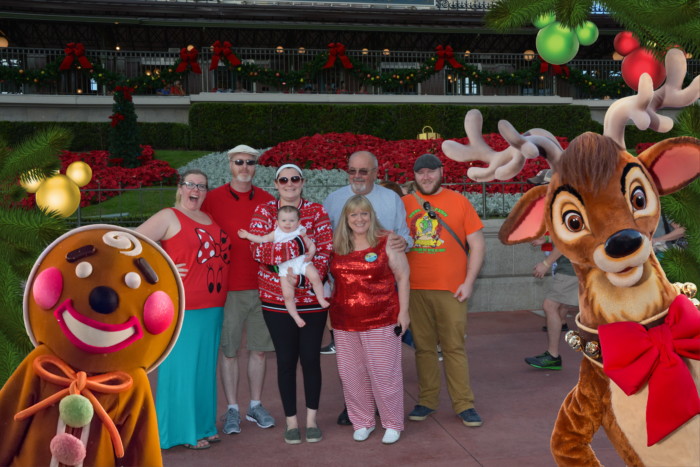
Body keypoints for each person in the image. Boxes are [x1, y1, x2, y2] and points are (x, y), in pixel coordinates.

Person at [136, 169, 229, 450]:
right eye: (190, 184)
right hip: (184, 307)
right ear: (180, 187)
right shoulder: (168, 216)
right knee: (181, 370)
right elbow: (131, 242)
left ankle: (203, 425)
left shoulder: (208, 218)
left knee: (203, 370)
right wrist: (161, 270)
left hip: (212, 308)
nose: (196, 190)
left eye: (202, 186)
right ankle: (179, 433)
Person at [323, 150, 412, 426]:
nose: (358, 176)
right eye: (353, 170)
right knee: (352, 366)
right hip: (345, 296)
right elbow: (326, 243)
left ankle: (388, 415)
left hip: (381, 289)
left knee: (382, 363)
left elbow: (404, 235)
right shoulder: (334, 199)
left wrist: (399, 244)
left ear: (376, 172)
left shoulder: (391, 199)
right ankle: (358, 411)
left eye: (364, 171)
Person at [249, 163, 332, 445]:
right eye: (284, 179)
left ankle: (310, 420)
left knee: (310, 360)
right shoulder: (263, 211)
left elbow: (325, 250)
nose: (289, 183)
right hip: (275, 300)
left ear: (302, 181)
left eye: (295, 178)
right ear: (276, 183)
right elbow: (259, 250)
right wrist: (297, 249)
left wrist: (305, 281)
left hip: (310, 300)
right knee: (285, 361)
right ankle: (291, 422)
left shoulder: (317, 211)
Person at [402, 153, 486, 427]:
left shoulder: (459, 202)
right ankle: (427, 400)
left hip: (452, 289)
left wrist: (469, 281)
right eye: (420, 172)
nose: (425, 177)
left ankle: (464, 404)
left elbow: (478, 244)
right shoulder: (404, 204)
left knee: (453, 347)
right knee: (424, 349)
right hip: (414, 289)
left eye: (430, 171)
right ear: (414, 176)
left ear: (441, 172)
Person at [200, 145, 276, 436]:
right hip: (227, 288)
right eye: (239, 162)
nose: (245, 167)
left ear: (256, 166)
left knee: (258, 351)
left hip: (262, 287)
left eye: (250, 162)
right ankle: (232, 408)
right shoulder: (212, 199)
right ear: (229, 164)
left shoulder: (269, 200)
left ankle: (255, 404)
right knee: (229, 351)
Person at [238, 205, 330, 328]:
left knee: (315, 277)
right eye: (284, 220)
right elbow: (261, 239)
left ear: (298, 222)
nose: (288, 224)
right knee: (287, 295)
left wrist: (311, 253)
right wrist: (248, 236)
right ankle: (296, 316)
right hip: (285, 268)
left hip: (302, 262)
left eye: (292, 221)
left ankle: (320, 298)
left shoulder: (300, 232)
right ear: (277, 222)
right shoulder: (276, 234)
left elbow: (311, 245)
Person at [525, 241, 579, 370]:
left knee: (550, 306)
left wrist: (546, 263)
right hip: (575, 265)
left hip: (570, 268)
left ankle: (553, 356)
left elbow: (564, 241)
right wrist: (547, 240)